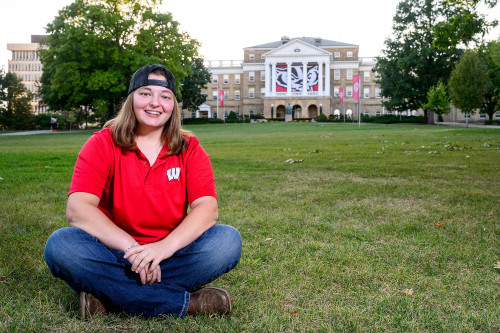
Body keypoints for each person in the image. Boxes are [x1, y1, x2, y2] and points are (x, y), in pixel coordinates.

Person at [44, 64, 242, 319]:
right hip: (115, 255)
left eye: (165, 96)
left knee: (227, 241)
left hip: (171, 255)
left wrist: (160, 250)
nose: (155, 103)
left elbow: (207, 209)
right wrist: (135, 250)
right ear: (131, 99)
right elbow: (78, 209)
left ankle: (109, 297)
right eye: (145, 93)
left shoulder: (189, 148)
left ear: (173, 105)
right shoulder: (102, 143)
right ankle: (185, 304)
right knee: (62, 245)